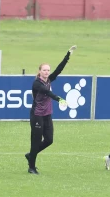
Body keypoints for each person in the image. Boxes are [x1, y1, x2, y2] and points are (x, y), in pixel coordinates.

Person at [25, 45, 77, 175]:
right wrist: (60, 99)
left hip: (47, 114)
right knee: (35, 141)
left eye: (48, 70)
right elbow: (47, 93)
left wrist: (68, 55)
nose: (47, 72)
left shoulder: (49, 79)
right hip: (37, 115)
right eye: (44, 70)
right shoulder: (37, 83)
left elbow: (59, 69)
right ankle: (31, 167)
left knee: (49, 140)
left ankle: (30, 155)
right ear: (39, 71)